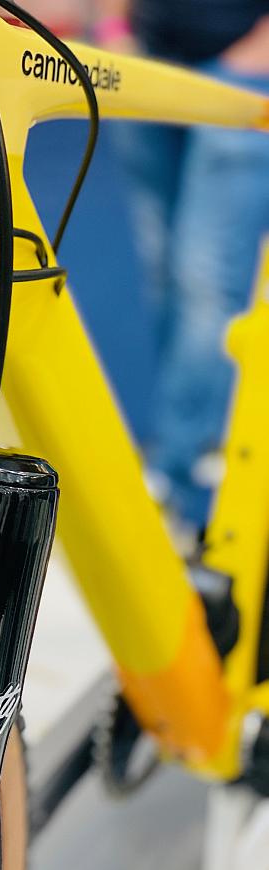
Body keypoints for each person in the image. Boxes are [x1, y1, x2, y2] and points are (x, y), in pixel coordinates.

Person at [94, 1, 269, 529]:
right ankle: (186, 457)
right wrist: (115, 27)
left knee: (206, 284)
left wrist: (256, 52)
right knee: (167, 275)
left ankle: (182, 484)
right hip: (146, 60)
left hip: (241, 71)